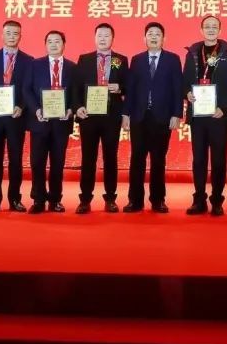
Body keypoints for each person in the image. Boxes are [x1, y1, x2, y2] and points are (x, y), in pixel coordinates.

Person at [122, 22, 183, 213]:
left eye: (157, 34)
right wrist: (125, 114)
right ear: (144, 38)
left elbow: (177, 88)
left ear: (164, 38)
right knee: (137, 159)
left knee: (158, 160)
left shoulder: (173, 59)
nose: (154, 37)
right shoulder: (137, 60)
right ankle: (135, 200)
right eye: (150, 34)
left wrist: (176, 114)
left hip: (162, 117)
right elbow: (131, 89)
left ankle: (158, 200)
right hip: (139, 117)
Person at [183, 16, 227, 216]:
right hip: (198, 114)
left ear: (220, 30)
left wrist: (224, 107)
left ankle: (217, 200)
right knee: (198, 159)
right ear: (201, 30)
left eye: (215, 27)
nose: (211, 29)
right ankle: (199, 200)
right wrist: (187, 93)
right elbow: (185, 79)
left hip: (218, 115)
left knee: (218, 160)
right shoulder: (192, 51)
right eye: (207, 26)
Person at [0, 20, 33, 213]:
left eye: (15, 33)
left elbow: (29, 89)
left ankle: (14, 199)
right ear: (2, 35)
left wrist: (22, 106)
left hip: (16, 117)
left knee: (15, 160)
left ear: (20, 36)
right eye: (8, 33)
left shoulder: (29, 61)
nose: (11, 36)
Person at [24, 30, 81, 213]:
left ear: (64, 44)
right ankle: (38, 199)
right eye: (50, 41)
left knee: (58, 163)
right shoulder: (34, 65)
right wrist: (36, 110)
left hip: (61, 123)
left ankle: (55, 199)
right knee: (37, 162)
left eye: (57, 41)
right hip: (40, 121)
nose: (54, 44)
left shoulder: (73, 68)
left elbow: (76, 93)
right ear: (45, 45)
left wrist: (71, 110)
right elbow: (27, 90)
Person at [74, 23, 128, 214]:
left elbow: (129, 86)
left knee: (110, 158)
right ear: (95, 38)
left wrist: (119, 88)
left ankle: (111, 198)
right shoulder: (85, 59)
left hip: (111, 117)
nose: (103, 39)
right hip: (89, 116)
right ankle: (85, 199)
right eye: (100, 35)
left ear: (112, 38)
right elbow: (76, 88)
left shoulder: (121, 60)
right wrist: (78, 107)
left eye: (107, 35)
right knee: (88, 158)